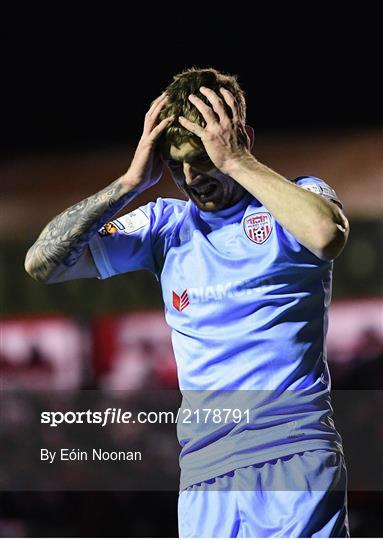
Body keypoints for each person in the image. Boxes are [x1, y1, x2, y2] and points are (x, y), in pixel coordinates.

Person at [25, 67, 350, 537]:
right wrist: (131, 182)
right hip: (203, 473)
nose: (191, 177)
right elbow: (43, 263)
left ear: (241, 139)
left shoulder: (294, 204)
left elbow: (326, 235)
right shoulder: (164, 225)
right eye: (176, 164)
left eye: (202, 158)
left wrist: (238, 162)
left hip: (292, 453)